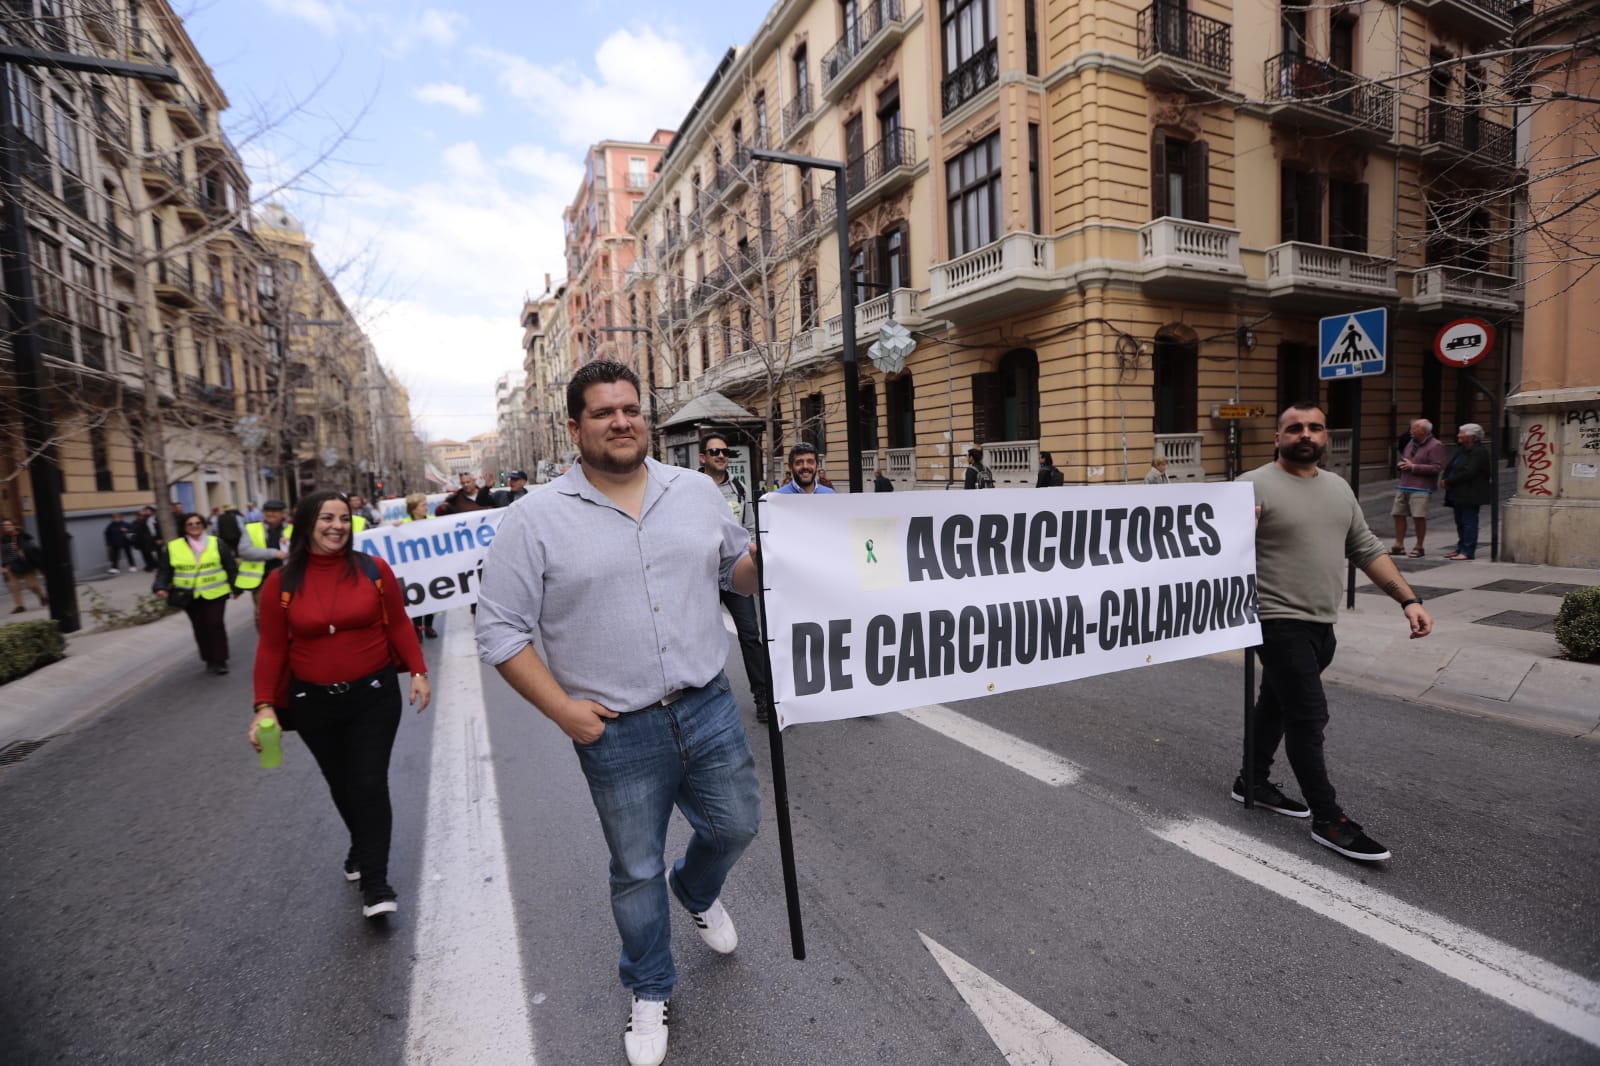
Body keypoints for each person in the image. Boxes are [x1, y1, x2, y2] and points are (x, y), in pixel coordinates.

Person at [476, 360, 761, 1066]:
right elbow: (500, 630)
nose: (621, 421)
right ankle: (650, 986)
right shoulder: (534, 519)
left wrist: (775, 555)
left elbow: (735, 572)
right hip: (616, 732)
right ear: (575, 428)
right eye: (603, 412)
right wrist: (563, 712)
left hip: (708, 706)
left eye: (629, 408)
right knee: (635, 869)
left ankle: (693, 888)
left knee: (736, 826)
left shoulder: (696, 492)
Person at [1238, 403, 1433, 863]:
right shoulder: (1250, 485)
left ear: (1326, 435)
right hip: (1275, 620)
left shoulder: (1339, 487)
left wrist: (1409, 599)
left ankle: (1252, 780)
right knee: (1308, 717)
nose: (1305, 434)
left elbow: (1364, 546)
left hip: (1322, 623)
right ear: (1278, 438)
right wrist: (1239, 532)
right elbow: (1210, 548)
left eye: (1315, 427)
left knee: (1275, 704)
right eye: (1294, 428)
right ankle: (1328, 818)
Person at [249, 491, 430, 920]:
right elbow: (271, 648)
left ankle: (376, 882)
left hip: (374, 696)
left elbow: (399, 622)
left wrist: (418, 671)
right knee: (342, 784)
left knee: (368, 782)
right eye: (327, 518)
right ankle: (361, 846)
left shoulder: (374, 570)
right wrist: (263, 706)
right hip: (313, 703)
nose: (337, 526)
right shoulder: (280, 583)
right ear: (306, 524)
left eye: (344, 518)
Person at [700, 434, 774, 725]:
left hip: (734, 571)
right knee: (699, 636)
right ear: (703, 457)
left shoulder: (740, 488)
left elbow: (750, 528)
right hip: (703, 575)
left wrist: (750, 560)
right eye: (714, 451)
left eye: (725, 451)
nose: (721, 455)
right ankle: (702, 703)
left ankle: (763, 697)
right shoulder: (690, 489)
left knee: (750, 634)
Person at [154, 512, 240, 674]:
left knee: (215, 624)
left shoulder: (217, 543)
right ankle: (208, 659)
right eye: (190, 524)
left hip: (216, 592)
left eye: (198, 523)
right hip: (189, 595)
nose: (194, 526)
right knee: (200, 627)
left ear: (203, 525)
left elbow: (231, 567)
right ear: (184, 527)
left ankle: (220, 660)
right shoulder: (173, 547)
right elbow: (164, 571)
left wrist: (236, 587)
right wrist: (160, 587)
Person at [1391, 418, 1444, 557]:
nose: (1411, 431)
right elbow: (1406, 459)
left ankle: (1419, 546)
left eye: (1414, 428)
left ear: (1423, 431)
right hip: (1404, 484)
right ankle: (1399, 545)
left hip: (1421, 488)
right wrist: (1401, 464)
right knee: (1397, 514)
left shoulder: (1435, 445)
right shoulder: (1411, 442)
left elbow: (1436, 468)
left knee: (1418, 517)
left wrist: (1413, 467)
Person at [1442, 422, 1492, 561]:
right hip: (1458, 492)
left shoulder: (1479, 451)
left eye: (1461, 433)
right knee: (1460, 521)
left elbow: (1470, 472)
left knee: (1469, 522)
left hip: (1470, 492)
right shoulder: (1462, 449)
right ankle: (1461, 547)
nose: (1458, 435)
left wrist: (1449, 481)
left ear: (1471, 437)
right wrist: (1445, 479)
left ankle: (1467, 551)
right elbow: (1451, 467)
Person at [236, 499, 291, 621]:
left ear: (283, 514)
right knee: (263, 615)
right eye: (267, 511)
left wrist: (290, 544)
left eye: (275, 511)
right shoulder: (251, 528)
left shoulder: (292, 529)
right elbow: (244, 550)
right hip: (262, 581)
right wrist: (274, 553)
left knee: (288, 611)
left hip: (287, 580)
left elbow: (302, 550)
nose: (270, 514)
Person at [403, 493, 438, 639]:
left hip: (431, 566)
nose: (426, 507)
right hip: (413, 569)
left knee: (431, 596)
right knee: (417, 596)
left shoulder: (433, 521)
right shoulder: (404, 524)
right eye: (423, 505)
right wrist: (394, 528)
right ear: (414, 509)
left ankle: (429, 626)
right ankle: (417, 627)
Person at [3, 518, 48, 614]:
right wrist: (4, 566)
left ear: (14, 526)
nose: (6, 527)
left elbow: (31, 548)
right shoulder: (4, 539)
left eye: (8, 525)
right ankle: (20, 606)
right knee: (14, 586)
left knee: (32, 585)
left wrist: (19, 548)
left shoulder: (24, 535)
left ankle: (42, 596)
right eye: (4, 525)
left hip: (26, 564)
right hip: (12, 565)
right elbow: (4, 553)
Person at [133, 506, 161, 571]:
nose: (146, 512)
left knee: (158, 552)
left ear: (152, 512)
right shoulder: (143, 520)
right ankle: (151, 565)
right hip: (145, 539)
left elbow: (158, 529)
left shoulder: (156, 518)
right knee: (147, 553)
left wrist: (159, 538)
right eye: (145, 511)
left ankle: (158, 565)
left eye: (147, 511)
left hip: (155, 538)